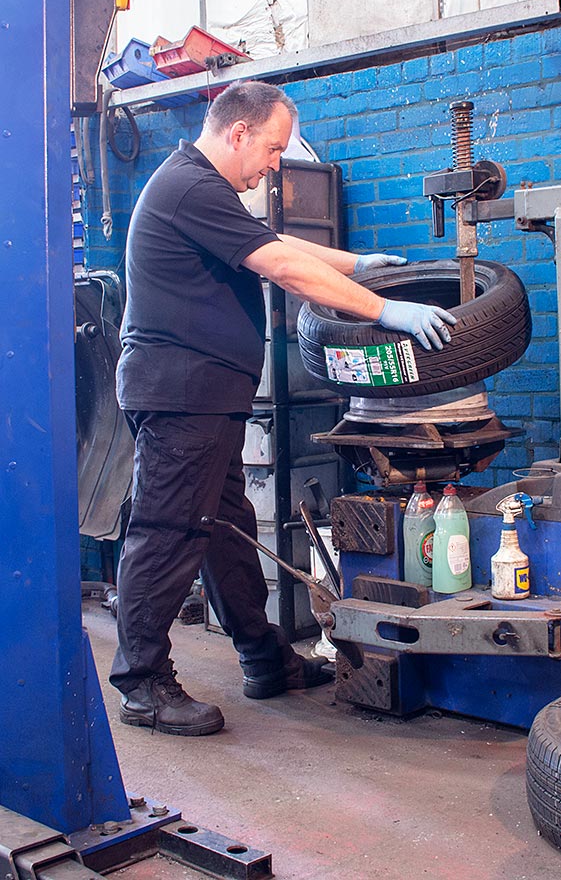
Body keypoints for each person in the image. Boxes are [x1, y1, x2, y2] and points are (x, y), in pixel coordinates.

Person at [111, 80, 456, 736]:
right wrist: (386, 309)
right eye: (271, 148)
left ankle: (265, 659)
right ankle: (141, 683)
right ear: (236, 133)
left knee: (225, 530)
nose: (274, 164)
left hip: (202, 396)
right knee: (170, 531)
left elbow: (279, 245)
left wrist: (357, 264)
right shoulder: (189, 187)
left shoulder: (201, 190)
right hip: (182, 396)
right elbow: (282, 266)